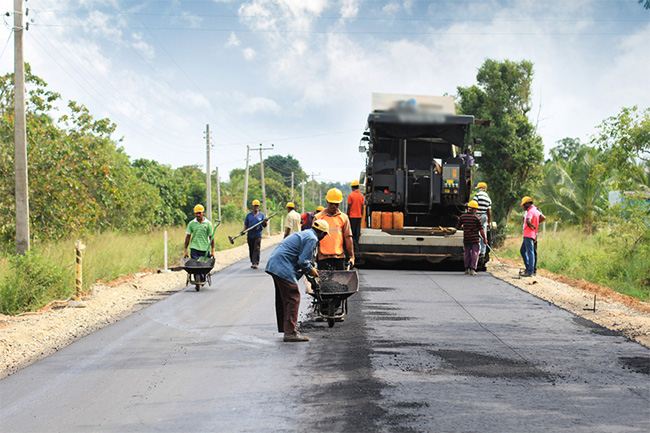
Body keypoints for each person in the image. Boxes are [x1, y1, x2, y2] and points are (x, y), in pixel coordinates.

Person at [266, 220, 330, 342]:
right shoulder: (312, 238)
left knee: (283, 299)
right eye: (325, 234)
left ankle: (286, 329)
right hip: (282, 266)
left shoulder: (306, 234)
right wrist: (312, 271)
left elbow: (304, 261)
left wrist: (312, 279)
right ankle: (290, 333)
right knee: (293, 297)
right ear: (322, 233)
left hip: (275, 264)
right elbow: (303, 262)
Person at [314, 188, 355, 270]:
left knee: (339, 282)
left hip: (339, 257)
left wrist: (351, 256)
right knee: (323, 282)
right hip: (323, 257)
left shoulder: (343, 218)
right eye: (331, 203)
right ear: (327, 201)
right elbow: (312, 238)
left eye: (336, 204)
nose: (334, 206)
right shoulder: (318, 217)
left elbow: (348, 237)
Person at [183, 204, 215, 282]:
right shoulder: (191, 223)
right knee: (195, 265)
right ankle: (197, 278)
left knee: (204, 266)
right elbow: (188, 237)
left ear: (203, 213)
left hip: (205, 248)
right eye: (196, 213)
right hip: (194, 247)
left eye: (199, 213)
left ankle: (202, 277)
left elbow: (211, 237)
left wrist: (213, 249)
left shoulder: (208, 223)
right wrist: (185, 249)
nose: (198, 215)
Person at [455, 200, 486, 275]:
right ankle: (472, 269)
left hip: (466, 238)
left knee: (467, 253)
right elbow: (481, 230)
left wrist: (463, 226)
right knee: (475, 253)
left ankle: (466, 269)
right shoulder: (477, 218)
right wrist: (485, 239)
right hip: (475, 239)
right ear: (474, 209)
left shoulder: (462, 217)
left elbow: (457, 227)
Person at [520, 196, 540, 277]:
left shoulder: (530, 211)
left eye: (524, 205)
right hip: (532, 234)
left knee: (530, 252)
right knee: (523, 251)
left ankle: (530, 271)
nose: (523, 207)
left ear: (528, 204)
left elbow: (528, 220)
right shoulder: (536, 210)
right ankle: (528, 268)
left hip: (528, 234)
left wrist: (531, 225)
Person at [244, 200, 267, 269]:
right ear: (252, 206)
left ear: (259, 207)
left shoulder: (261, 215)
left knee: (256, 248)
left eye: (257, 206)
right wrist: (244, 231)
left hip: (258, 234)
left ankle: (255, 263)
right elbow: (246, 225)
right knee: (251, 248)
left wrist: (265, 222)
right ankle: (252, 261)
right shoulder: (249, 215)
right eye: (255, 206)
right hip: (250, 234)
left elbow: (264, 225)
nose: (256, 207)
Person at [472, 182, 492, 257]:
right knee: (484, 234)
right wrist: (489, 222)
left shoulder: (477, 196)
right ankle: (482, 252)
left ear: (480, 188)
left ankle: (475, 250)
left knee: (475, 233)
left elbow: (473, 206)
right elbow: (489, 211)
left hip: (477, 216)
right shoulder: (488, 199)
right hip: (484, 216)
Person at [347, 180, 364, 247]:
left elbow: (349, 206)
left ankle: (354, 246)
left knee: (352, 232)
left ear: (352, 187)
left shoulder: (351, 195)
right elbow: (362, 207)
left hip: (352, 216)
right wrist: (361, 214)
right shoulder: (361, 196)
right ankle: (356, 245)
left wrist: (347, 215)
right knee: (357, 232)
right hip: (359, 216)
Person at [533, 207, 546, 275]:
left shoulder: (534, 210)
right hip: (528, 233)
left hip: (532, 233)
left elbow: (543, 217)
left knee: (532, 251)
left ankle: (533, 269)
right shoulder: (528, 210)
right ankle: (530, 268)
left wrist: (536, 223)